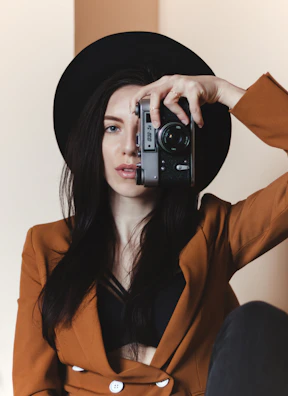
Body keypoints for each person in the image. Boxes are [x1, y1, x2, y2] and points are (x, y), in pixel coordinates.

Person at [13, 31, 288, 396]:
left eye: (148, 126)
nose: (129, 147)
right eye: (112, 128)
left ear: (174, 138)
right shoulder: (45, 245)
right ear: (92, 142)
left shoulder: (214, 231)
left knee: (256, 321)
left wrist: (221, 92)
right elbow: (34, 385)